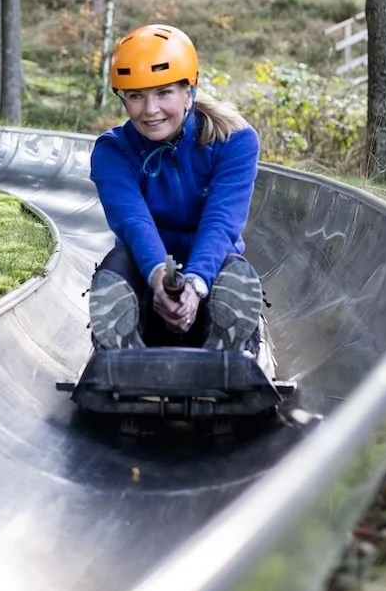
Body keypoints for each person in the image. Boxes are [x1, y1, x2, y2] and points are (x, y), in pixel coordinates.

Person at [88, 24, 263, 355]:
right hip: (144, 269)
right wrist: (158, 279)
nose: (150, 110)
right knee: (117, 265)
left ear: (189, 90)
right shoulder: (113, 151)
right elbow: (133, 222)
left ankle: (229, 346)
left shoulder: (235, 141)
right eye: (136, 96)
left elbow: (222, 221)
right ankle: (121, 348)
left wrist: (195, 286)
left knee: (232, 272)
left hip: (212, 266)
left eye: (163, 92)